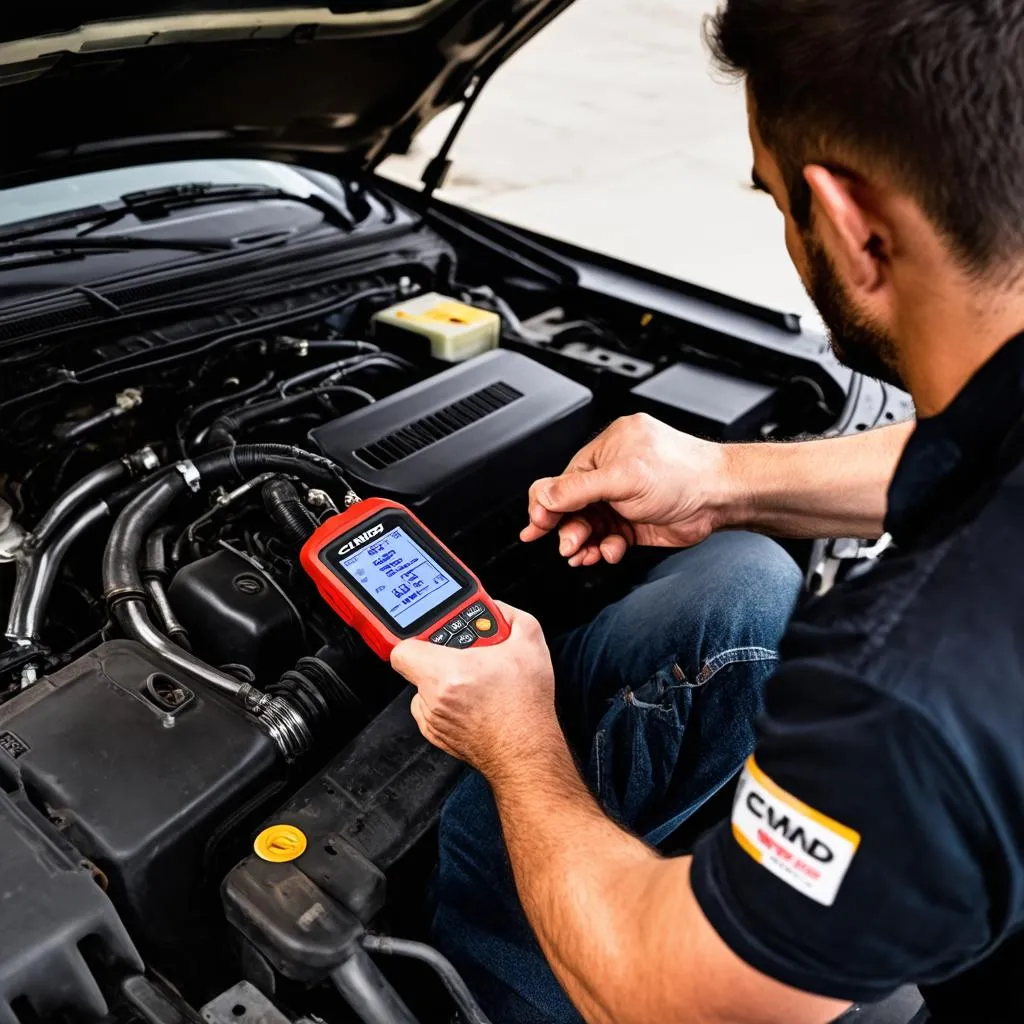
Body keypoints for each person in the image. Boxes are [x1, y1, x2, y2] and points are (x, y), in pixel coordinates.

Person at [390, 1, 1024, 1021]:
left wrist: (518, 744)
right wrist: (724, 479)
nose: (782, 230)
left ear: (855, 225)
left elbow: (671, 1000)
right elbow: (986, 455)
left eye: (776, 201)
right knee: (745, 575)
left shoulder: (911, 685)